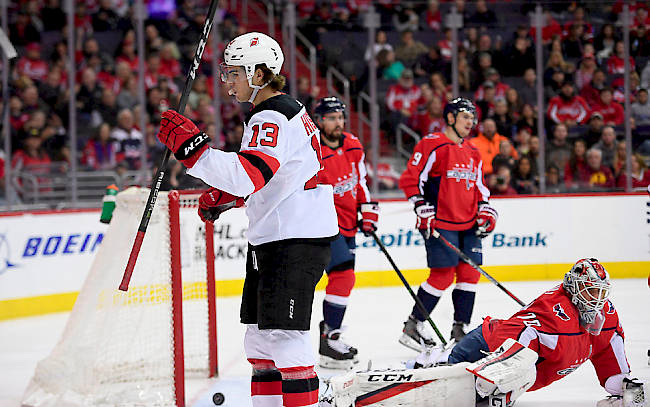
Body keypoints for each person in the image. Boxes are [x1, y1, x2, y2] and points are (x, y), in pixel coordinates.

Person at [155, 32, 339, 407]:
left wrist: (195, 152)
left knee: (285, 339)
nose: (228, 80)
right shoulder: (281, 110)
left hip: (294, 239)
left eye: (234, 72)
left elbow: (250, 172)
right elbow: (280, 173)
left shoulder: (271, 114)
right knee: (258, 338)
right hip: (276, 235)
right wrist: (232, 194)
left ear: (259, 73)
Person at [445, 258, 646, 407]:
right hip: (480, 351)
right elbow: (518, 348)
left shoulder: (607, 318)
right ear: (574, 288)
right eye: (590, 291)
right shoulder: (557, 313)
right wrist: (496, 378)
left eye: (601, 292)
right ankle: (424, 364)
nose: (597, 299)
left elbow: (612, 366)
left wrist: (625, 385)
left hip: (497, 371)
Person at [398, 98, 497, 349]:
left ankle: (460, 329)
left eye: (473, 118)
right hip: (440, 221)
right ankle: (413, 325)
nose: (470, 122)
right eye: (465, 116)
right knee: (442, 276)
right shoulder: (433, 144)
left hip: (469, 222)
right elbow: (411, 178)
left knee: (470, 273)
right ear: (450, 118)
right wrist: (420, 205)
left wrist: (486, 209)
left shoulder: (473, 152)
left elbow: (480, 188)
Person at [312, 96, 379, 370]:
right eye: (332, 118)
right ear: (320, 121)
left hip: (349, 222)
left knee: (342, 280)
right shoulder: (312, 148)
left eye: (341, 117)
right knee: (343, 277)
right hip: (324, 224)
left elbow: (360, 181)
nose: (338, 123)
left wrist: (369, 212)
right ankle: (330, 337)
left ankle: (330, 336)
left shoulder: (352, 144)